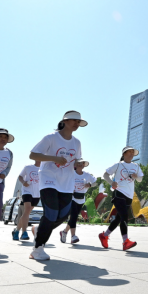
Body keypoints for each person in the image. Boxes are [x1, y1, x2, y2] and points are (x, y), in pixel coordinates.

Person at [29, 111, 87, 261]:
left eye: (78, 122)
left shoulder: (77, 142)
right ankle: (38, 248)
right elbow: (33, 155)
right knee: (51, 213)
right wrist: (54, 158)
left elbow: (75, 161)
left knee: (62, 216)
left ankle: (38, 230)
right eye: (74, 120)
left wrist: (78, 165)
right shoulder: (51, 138)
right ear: (65, 121)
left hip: (66, 183)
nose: (77, 124)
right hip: (49, 179)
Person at [99, 147, 144, 251]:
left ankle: (104, 236)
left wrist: (136, 176)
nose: (131, 154)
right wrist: (111, 183)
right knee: (124, 216)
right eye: (129, 152)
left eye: (133, 153)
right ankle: (125, 241)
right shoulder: (118, 165)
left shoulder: (136, 166)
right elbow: (105, 175)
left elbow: (140, 179)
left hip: (129, 195)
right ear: (124, 153)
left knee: (119, 218)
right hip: (118, 193)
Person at [60, 159, 95, 245]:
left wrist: (90, 185)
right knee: (74, 216)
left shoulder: (87, 175)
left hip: (81, 198)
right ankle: (73, 236)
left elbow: (95, 182)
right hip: (72, 197)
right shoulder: (71, 173)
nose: (80, 165)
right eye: (78, 163)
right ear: (75, 165)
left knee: (73, 218)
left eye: (81, 163)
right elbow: (64, 182)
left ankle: (64, 232)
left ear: (84, 165)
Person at [13, 161, 41, 241]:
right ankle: (24, 232)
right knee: (27, 210)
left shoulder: (44, 169)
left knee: (27, 213)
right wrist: (23, 182)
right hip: (27, 191)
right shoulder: (28, 167)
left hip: (37, 194)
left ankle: (16, 230)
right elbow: (20, 176)